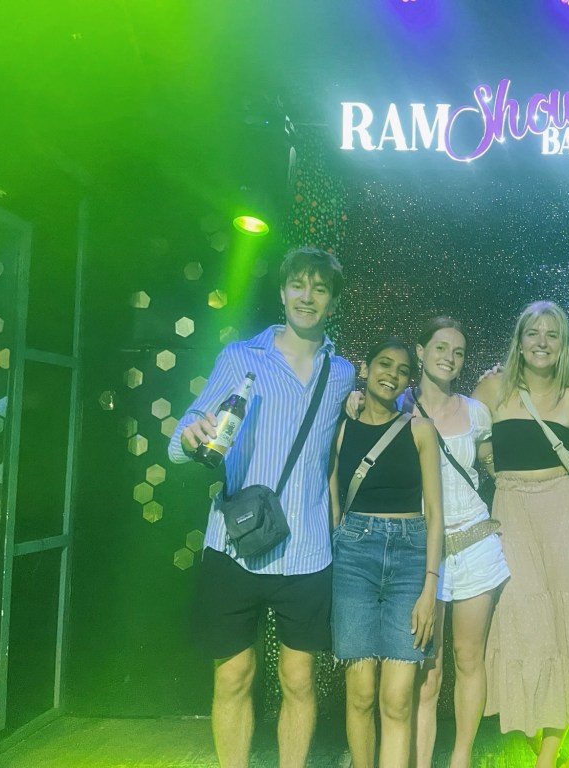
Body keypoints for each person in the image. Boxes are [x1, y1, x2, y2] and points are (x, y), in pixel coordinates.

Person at [168, 246, 355, 768]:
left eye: (320, 288)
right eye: (299, 285)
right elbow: (181, 439)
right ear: (282, 292)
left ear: (333, 302)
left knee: (299, 680)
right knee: (233, 676)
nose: (307, 297)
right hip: (235, 545)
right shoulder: (240, 358)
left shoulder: (342, 373)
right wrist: (191, 436)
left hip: (306, 550)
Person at [471, 300, 569, 768]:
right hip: (512, 515)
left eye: (552, 334)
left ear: (563, 344)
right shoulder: (492, 389)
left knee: (567, 633)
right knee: (523, 630)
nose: (542, 342)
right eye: (533, 333)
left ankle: (546, 758)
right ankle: (541, 744)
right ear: (519, 341)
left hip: (568, 519)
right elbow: (455, 431)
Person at [329, 338, 444, 768]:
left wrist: (430, 588)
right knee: (360, 693)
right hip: (353, 556)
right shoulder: (341, 428)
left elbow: (435, 513)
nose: (391, 374)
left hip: (410, 557)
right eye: (383, 364)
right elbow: (333, 499)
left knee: (396, 699)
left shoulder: (420, 430)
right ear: (365, 368)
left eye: (401, 370)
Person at [404, 318, 510, 768]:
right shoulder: (398, 405)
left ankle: (461, 757)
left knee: (470, 658)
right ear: (420, 350)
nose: (449, 357)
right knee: (427, 673)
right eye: (441, 347)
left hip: (475, 547)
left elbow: (491, 463)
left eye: (459, 352)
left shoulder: (476, 411)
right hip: (422, 551)